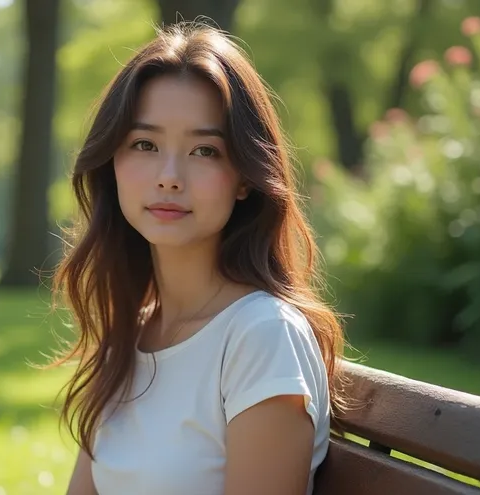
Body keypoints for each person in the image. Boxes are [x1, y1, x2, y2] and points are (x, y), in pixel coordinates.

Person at [51, 21, 346, 495]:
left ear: (245, 176)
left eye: (204, 150)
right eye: (145, 145)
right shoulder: (133, 330)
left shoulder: (262, 336)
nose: (169, 176)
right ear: (113, 163)